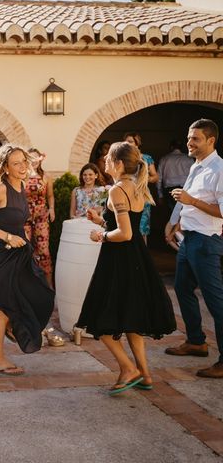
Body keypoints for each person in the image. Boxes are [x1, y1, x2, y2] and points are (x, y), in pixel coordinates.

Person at [77, 142, 176, 395]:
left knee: (100, 317)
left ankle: (127, 368)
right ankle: (145, 374)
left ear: (119, 164)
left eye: (109, 158)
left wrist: (101, 236)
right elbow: (124, 220)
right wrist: (101, 220)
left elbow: (125, 233)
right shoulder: (136, 187)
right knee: (131, 318)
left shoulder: (117, 190)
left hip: (119, 260)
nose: (105, 162)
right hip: (136, 259)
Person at [0, 143, 54, 375]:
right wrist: (6, 236)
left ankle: (10, 329)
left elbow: (15, 221)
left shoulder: (21, 187)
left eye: (24, 162)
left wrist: (23, 240)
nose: (21, 167)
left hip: (19, 252)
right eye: (15, 163)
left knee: (36, 293)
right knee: (3, 307)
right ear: (5, 168)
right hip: (1, 254)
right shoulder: (1, 188)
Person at [165, 119, 223, 378]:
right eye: (189, 137)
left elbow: (221, 211)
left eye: (196, 138)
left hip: (206, 240)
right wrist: (172, 221)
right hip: (188, 239)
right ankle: (197, 341)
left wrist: (191, 201)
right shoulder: (196, 166)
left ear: (211, 141)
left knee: (215, 301)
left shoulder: (220, 169)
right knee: (182, 288)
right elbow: (183, 196)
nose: (189, 142)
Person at [24, 148, 55, 287]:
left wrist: (52, 209)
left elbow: (50, 196)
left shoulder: (46, 177)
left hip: (41, 217)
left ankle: (48, 286)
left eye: (37, 158)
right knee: (24, 249)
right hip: (24, 217)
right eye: (31, 158)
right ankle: (26, 285)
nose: (34, 161)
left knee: (43, 250)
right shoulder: (21, 176)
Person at [124, 132, 159, 244]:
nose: (127, 143)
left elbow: (155, 176)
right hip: (126, 194)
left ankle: (142, 255)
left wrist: (143, 180)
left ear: (137, 143)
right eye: (125, 141)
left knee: (142, 226)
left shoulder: (146, 158)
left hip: (142, 195)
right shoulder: (122, 158)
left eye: (130, 141)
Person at [156, 139, 194, 213]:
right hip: (186, 190)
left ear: (171, 147)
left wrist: (160, 195)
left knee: (172, 214)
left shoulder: (164, 159)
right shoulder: (189, 159)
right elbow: (194, 177)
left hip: (170, 192)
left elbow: (158, 178)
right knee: (185, 214)